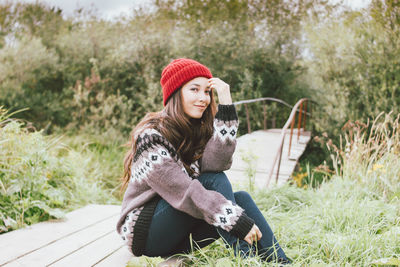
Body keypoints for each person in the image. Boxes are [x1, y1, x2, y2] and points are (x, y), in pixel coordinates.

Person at [116, 58, 290, 264]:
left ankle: (281, 262)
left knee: (240, 198)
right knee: (217, 188)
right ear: (175, 93)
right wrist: (236, 221)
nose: (203, 98)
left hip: (178, 230)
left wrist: (226, 105)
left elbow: (216, 166)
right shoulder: (151, 137)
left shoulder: (196, 129)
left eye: (207, 91)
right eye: (194, 90)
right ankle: (247, 260)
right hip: (145, 233)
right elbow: (185, 191)